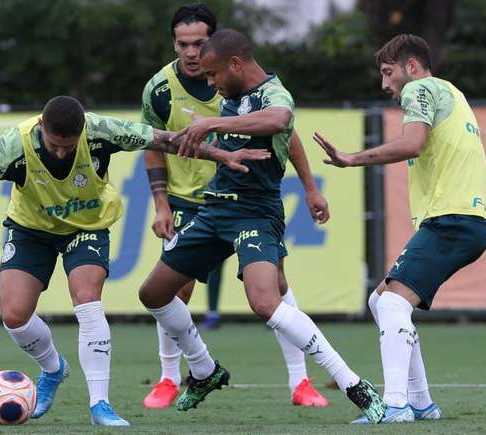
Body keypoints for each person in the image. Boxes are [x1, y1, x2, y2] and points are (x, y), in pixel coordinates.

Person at [0, 96, 268, 427]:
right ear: (42, 126)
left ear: (82, 132)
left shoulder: (102, 130)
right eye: (54, 144)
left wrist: (221, 155)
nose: (61, 152)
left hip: (87, 227)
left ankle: (99, 404)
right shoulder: (12, 147)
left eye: (69, 145)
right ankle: (52, 369)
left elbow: (164, 140)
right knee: (14, 317)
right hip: (30, 229)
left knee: (87, 300)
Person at [137, 29, 386, 424]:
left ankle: (354, 385)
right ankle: (203, 370)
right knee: (153, 293)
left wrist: (307, 187)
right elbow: (276, 132)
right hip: (214, 209)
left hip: (256, 213)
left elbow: (282, 121)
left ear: (236, 64)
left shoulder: (275, 94)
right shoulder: (232, 97)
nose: (211, 83)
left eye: (214, 74)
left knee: (267, 301)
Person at [140, 3, 330, 409]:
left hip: (246, 199)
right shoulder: (158, 89)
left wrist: (311, 187)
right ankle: (170, 378)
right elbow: (154, 147)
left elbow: (285, 132)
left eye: (198, 44)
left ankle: (301, 381)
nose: (191, 53)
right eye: (182, 44)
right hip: (192, 200)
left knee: (274, 285)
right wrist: (160, 204)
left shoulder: (238, 81)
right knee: (174, 288)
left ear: (217, 48)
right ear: (173, 44)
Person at [313, 34, 486, 423]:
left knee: (393, 303)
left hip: (453, 218)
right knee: (381, 301)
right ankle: (421, 402)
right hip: (463, 219)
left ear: (411, 68)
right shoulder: (451, 92)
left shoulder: (421, 88)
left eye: (388, 72)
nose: (385, 85)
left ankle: (396, 406)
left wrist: (351, 158)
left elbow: (412, 143)